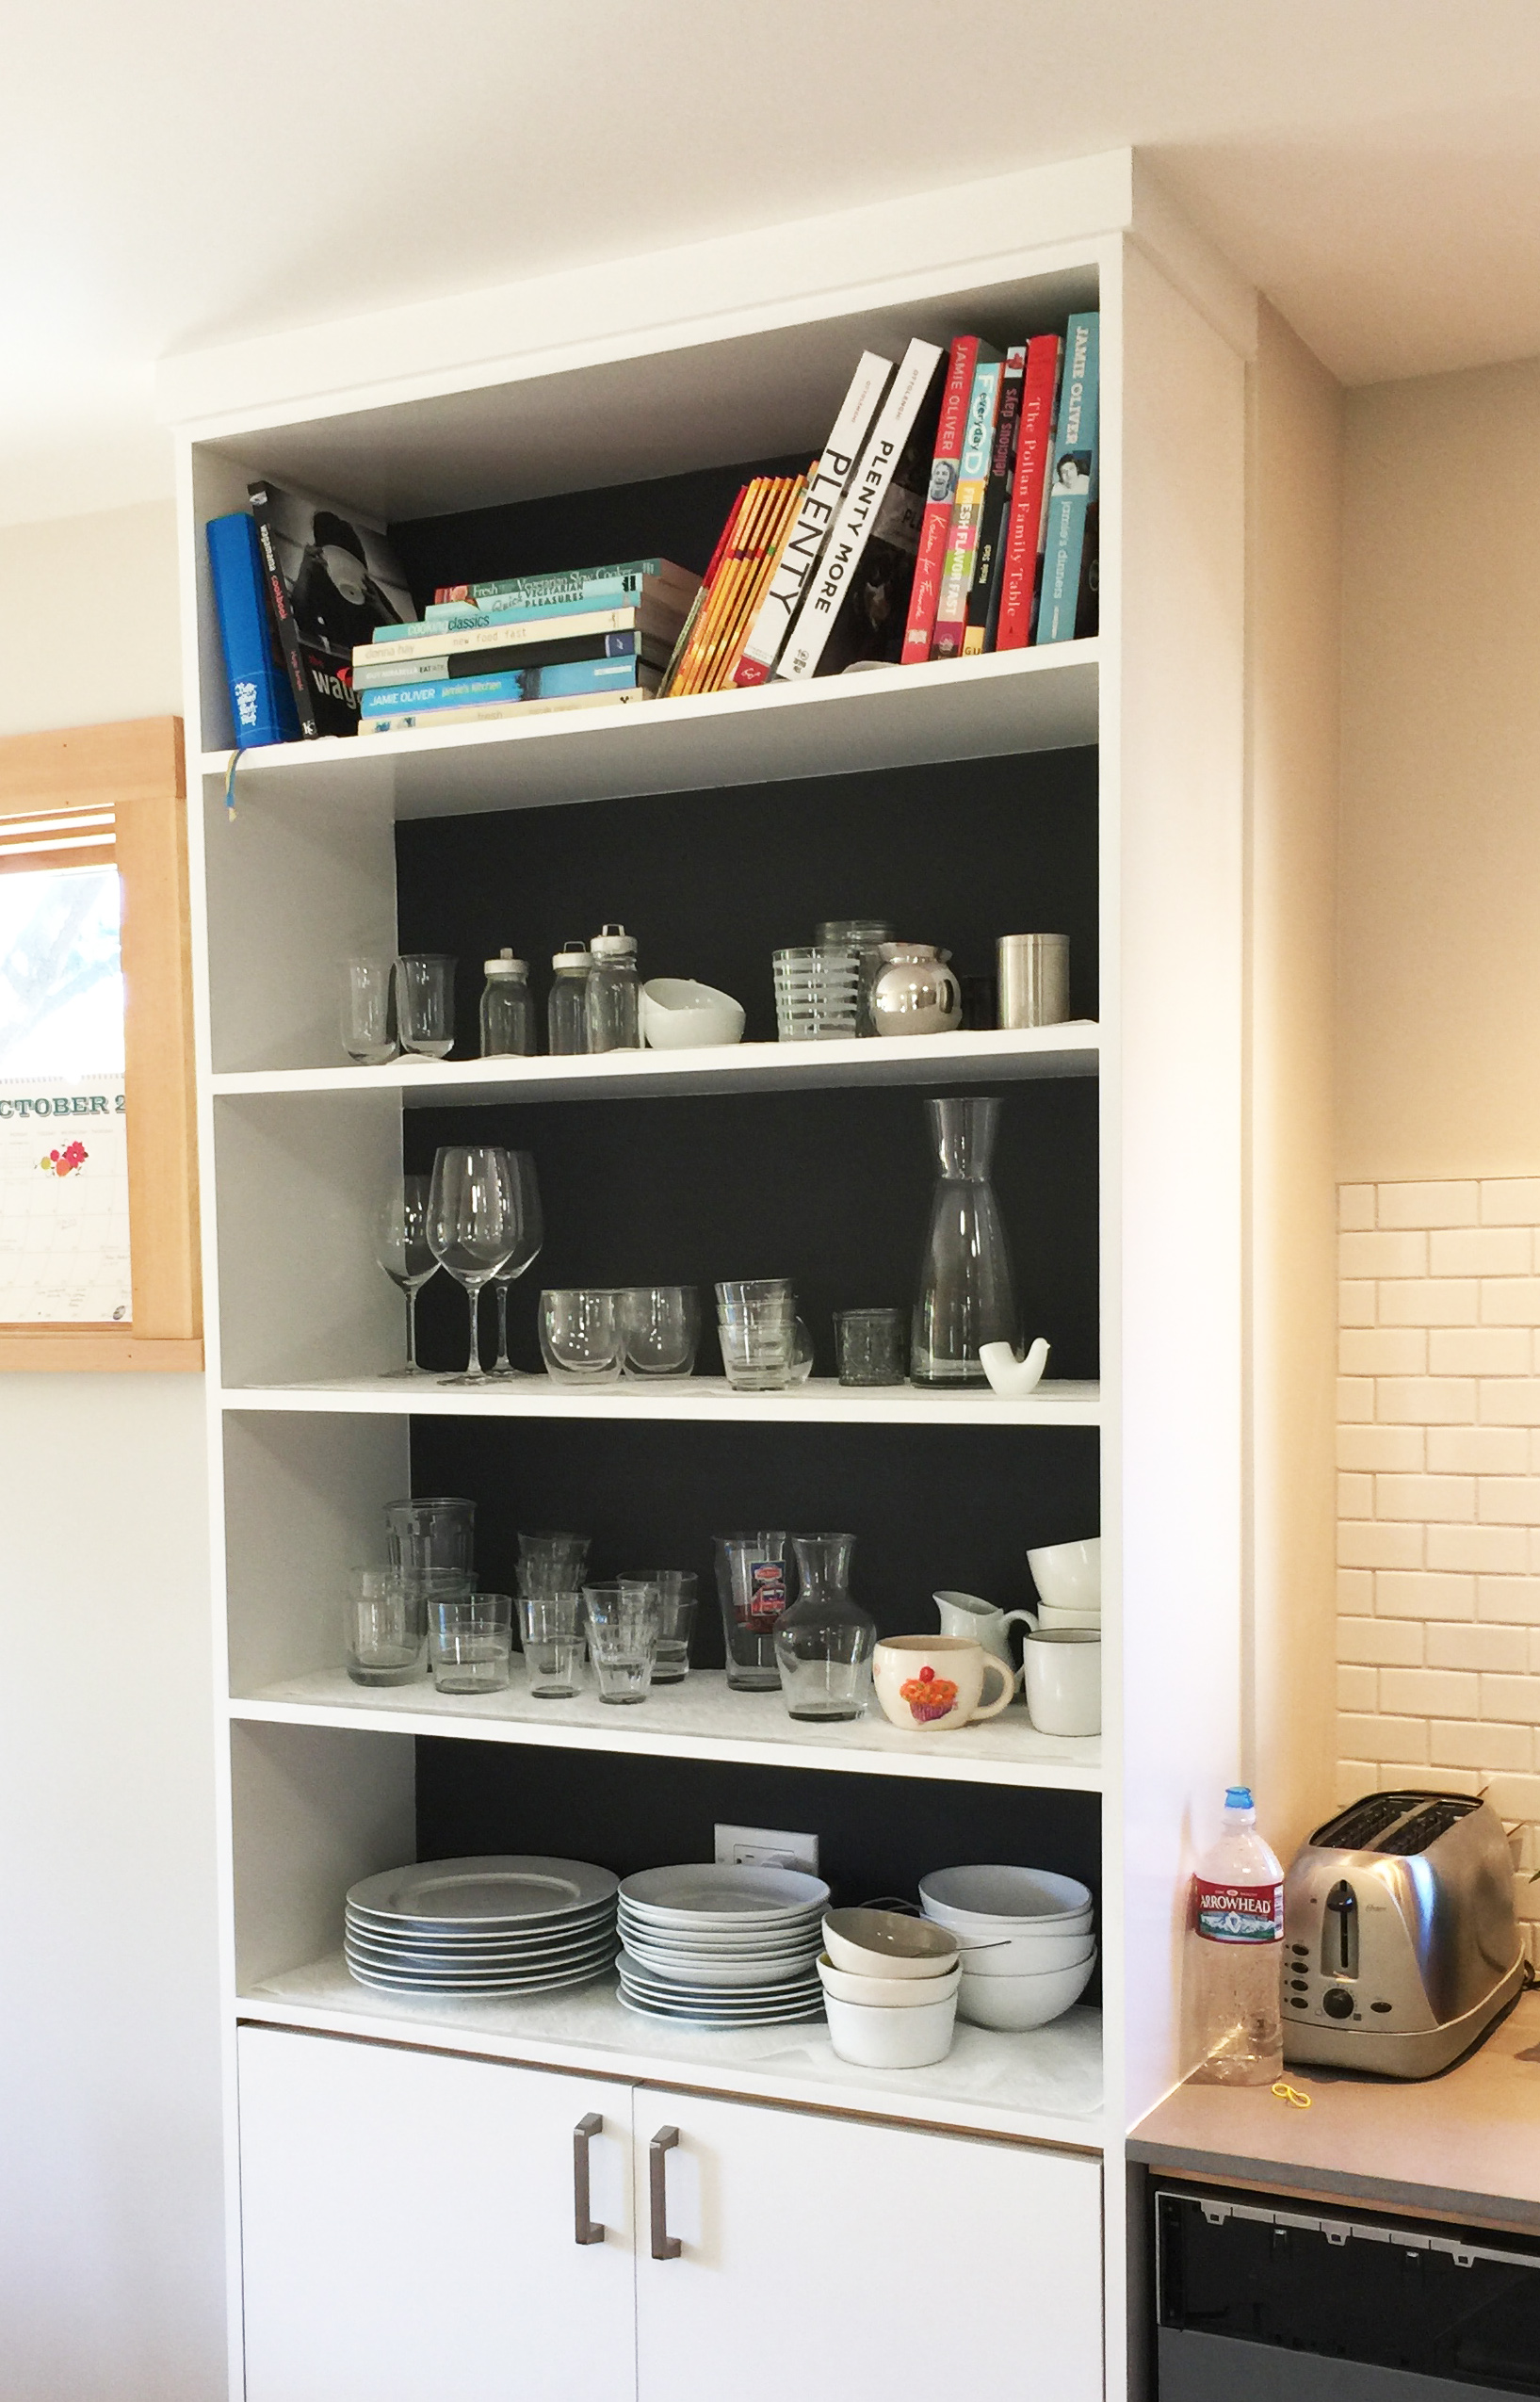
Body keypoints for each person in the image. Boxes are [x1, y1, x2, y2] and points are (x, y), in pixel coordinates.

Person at [290, 511, 406, 659]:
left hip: (370, 658)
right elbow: (301, 616)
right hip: (338, 656)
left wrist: (380, 608)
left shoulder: (366, 587)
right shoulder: (320, 578)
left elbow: (403, 636)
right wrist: (305, 571)